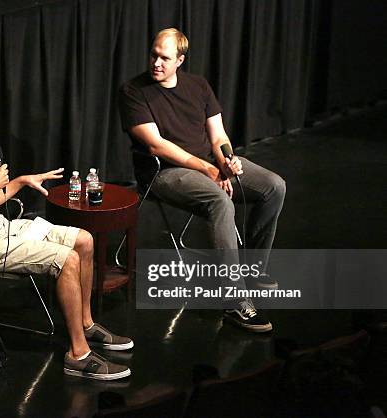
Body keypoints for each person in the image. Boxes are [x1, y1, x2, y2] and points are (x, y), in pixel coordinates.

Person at [0, 87, 133, 380]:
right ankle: (78, 354)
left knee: (84, 240)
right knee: (66, 260)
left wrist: (20, 181)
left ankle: (86, 322)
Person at [119, 28, 286, 332]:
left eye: (164, 58)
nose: (156, 62)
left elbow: (218, 136)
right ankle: (233, 302)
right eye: (153, 55)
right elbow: (156, 146)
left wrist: (225, 162)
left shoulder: (198, 86)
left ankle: (253, 268)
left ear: (180, 60)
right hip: (163, 172)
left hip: (208, 165)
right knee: (220, 201)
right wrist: (208, 171)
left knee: (273, 186)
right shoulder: (133, 91)